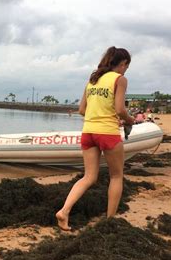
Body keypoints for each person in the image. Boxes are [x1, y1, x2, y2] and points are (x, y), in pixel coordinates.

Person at [55, 46, 135, 230]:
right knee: (116, 176)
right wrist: (130, 120)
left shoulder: (92, 80)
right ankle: (109, 222)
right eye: (126, 66)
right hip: (107, 132)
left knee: (89, 177)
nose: (125, 70)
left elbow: (82, 110)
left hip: (88, 132)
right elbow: (120, 110)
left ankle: (64, 211)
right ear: (122, 64)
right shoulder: (120, 80)